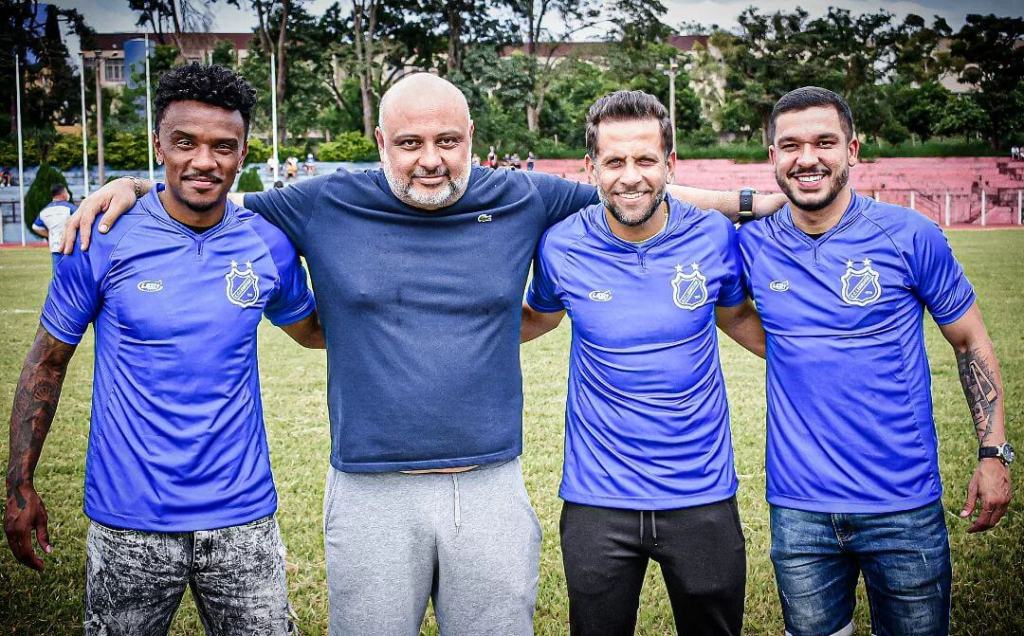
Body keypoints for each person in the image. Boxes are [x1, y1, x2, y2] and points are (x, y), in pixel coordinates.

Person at [62, 72, 784, 636]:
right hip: (369, 490)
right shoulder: (322, 202)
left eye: (447, 141)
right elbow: (209, 193)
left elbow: (634, 188)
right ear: (380, 141)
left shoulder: (522, 197)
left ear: (472, 138)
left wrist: (759, 200)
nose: (430, 160)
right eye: (410, 143)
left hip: (490, 484)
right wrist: (133, 186)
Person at [5, 63, 323, 635]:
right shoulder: (100, 237)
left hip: (243, 518)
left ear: (243, 153)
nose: (204, 161)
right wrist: (19, 484)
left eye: (223, 146)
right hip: (129, 522)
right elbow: (46, 362)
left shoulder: (266, 243)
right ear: (158, 145)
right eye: (185, 142)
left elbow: (314, 331)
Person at [737, 86, 1013, 636]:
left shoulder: (909, 234)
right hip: (799, 508)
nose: (807, 158)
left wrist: (993, 452)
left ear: (853, 150)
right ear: (772, 157)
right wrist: (749, 204)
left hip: (902, 503)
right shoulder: (751, 244)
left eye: (824, 142)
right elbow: (657, 197)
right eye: (790, 146)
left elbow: (970, 342)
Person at [522, 91, 764, 636]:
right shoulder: (560, 247)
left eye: (645, 160)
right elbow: (537, 318)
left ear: (670, 164)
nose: (630, 177)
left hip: (702, 493)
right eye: (614, 161)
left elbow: (738, 319)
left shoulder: (714, 237)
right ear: (590, 168)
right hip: (596, 499)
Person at [31, 183, 76, 273]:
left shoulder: (45, 211)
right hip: (71, 246)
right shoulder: (69, 208)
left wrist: (49, 234)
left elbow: (35, 227)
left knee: (57, 274)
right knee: (72, 273)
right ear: (63, 193)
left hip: (55, 245)